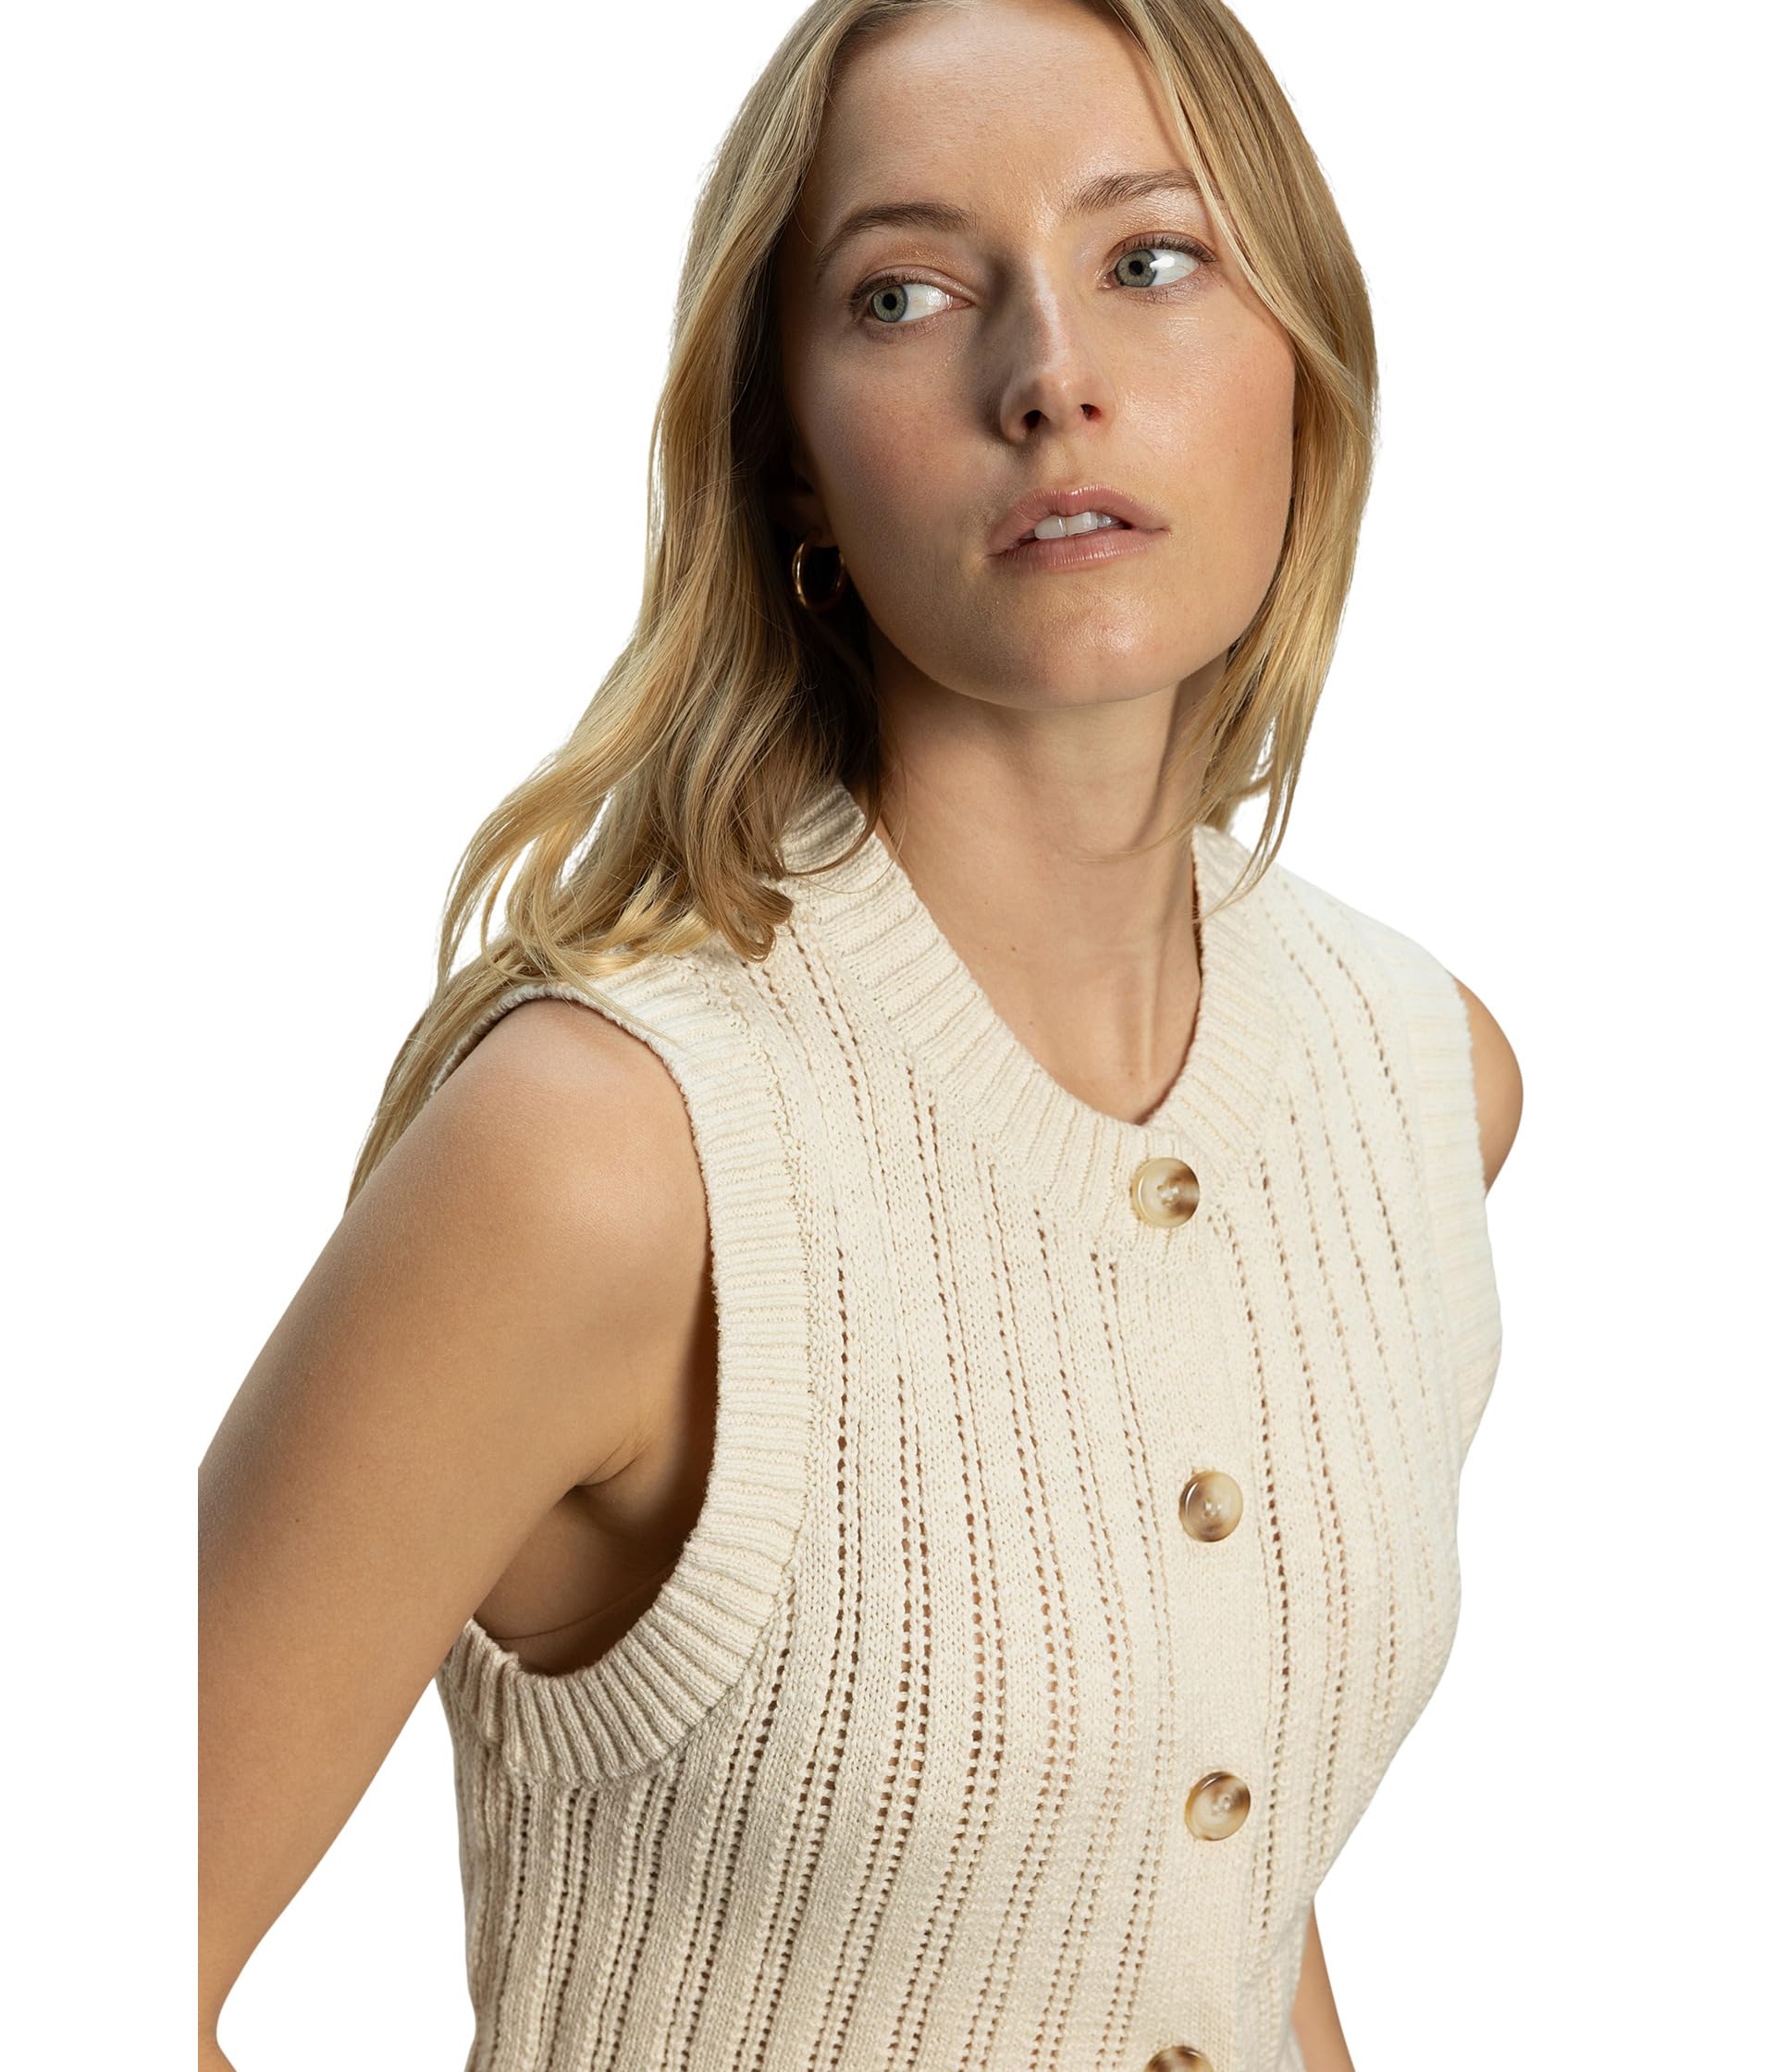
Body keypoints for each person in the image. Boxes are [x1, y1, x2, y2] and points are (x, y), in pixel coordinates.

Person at [198, 1, 1523, 2067]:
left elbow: (1205, 1895)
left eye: (1150, 257)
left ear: (1304, 362)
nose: (1051, 376)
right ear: (792, 460)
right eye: (903, 294)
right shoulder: (607, 1152)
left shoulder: (1418, 1077)